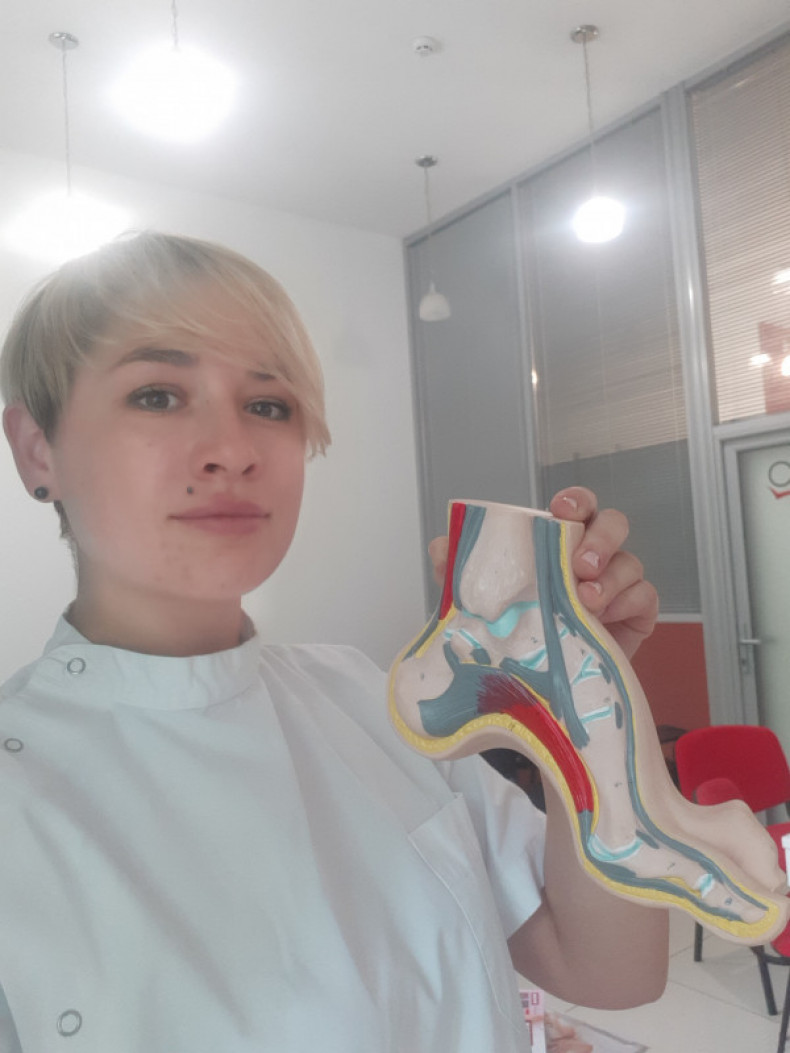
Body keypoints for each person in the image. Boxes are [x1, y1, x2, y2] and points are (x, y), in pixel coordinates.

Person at [0, 231, 667, 1052]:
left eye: (268, 405)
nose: (234, 450)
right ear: (37, 448)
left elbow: (612, 971)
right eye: (158, 395)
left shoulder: (372, 701)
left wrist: (583, 700)